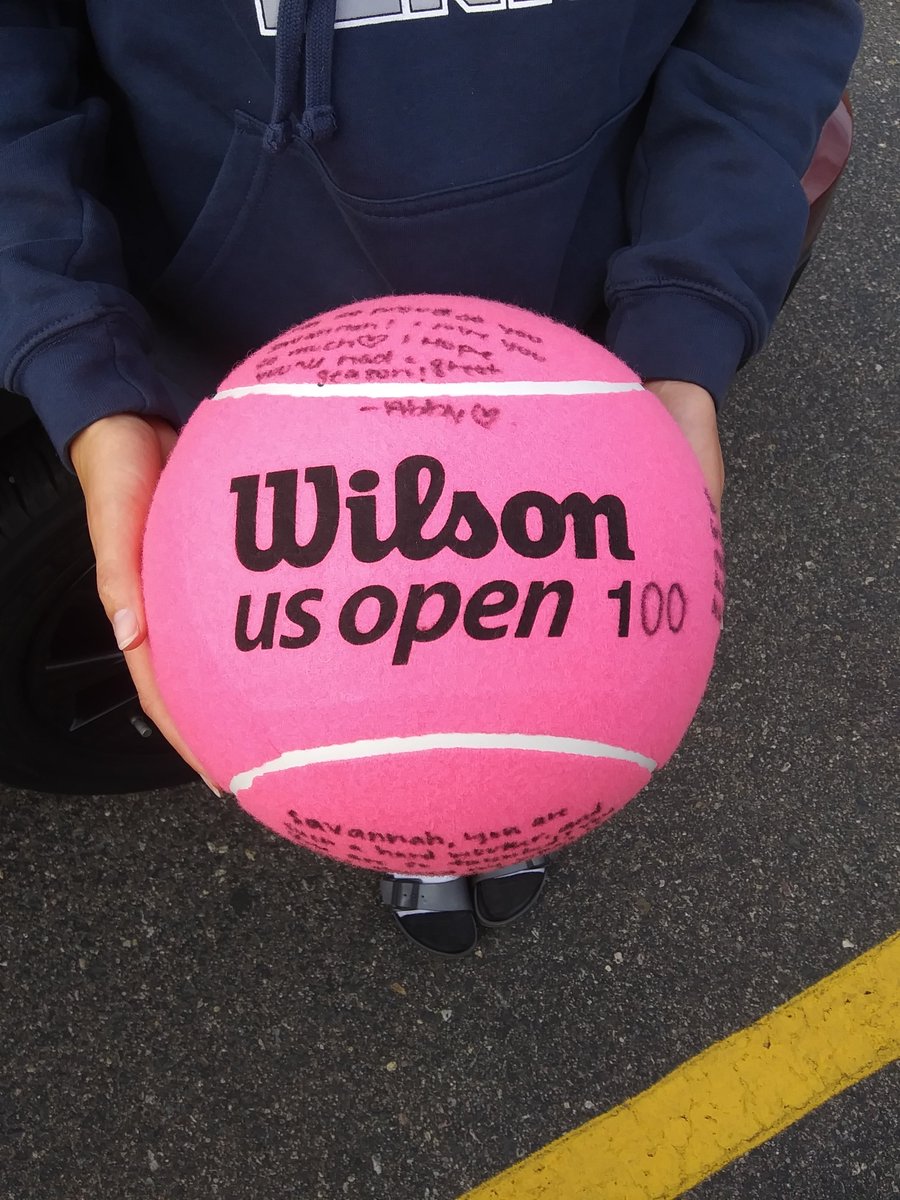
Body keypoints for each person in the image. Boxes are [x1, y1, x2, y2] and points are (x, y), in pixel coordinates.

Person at [0, 0, 862, 957]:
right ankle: (415, 818)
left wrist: (686, 315)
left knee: (521, 664)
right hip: (244, 369)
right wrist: (77, 350)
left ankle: (490, 804)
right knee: (368, 679)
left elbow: (773, 20)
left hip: (568, 356)